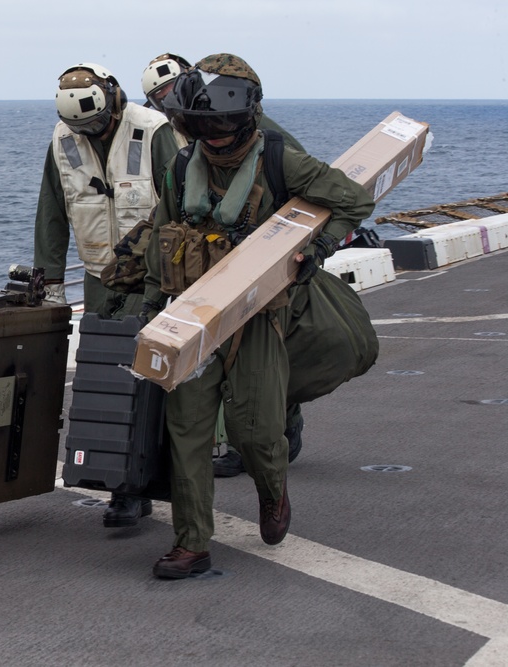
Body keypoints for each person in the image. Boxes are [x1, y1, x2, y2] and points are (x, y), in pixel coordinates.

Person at [141, 54, 375, 579]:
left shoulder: (280, 161)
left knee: (256, 428)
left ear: (246, 118)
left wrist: (319, 248)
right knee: (188, 430)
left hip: (257, 318)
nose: (215, 139)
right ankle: (191, 543)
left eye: (222, 127)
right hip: (196, 319)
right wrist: (154, 303)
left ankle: (273, 493)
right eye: (201, 128)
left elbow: (352, 200)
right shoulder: (181, 169)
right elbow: (164, 234)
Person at [141, 52, 308, 478]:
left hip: (265, 275)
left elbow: (306, 201)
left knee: (265, 367)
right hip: (209, 268)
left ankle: (280, 428)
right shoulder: (192, 128)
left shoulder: (270, 142)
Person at [33, 62, 179, 528]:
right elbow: (52, 212)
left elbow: (180, 203)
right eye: (81, 127)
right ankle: (125, 487)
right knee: (110, 381)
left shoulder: (154, 132)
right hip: (100, 276)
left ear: (113, 100)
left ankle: (152, 480)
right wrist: (49, 282)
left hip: (154, 274)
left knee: (152, 379)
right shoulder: (62, 140)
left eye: (96, 123)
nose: (90, 132)